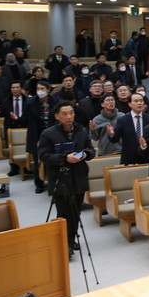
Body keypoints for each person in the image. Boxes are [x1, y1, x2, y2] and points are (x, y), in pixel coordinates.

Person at [38, 100, 95, 256]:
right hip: (60, 178)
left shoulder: (81, 130)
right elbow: (44, 156)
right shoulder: (48, 133)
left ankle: (71, 238)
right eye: (64, 114)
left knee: (76, 211)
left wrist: (85, 154)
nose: (69, 117)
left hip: (79, 176)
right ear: (57, 116)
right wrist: (64, 158)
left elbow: (90, 149)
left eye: (71, 113)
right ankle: (65, 243)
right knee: (64, 213)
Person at [107, 92, 149, 165]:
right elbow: (114, 140)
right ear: (129, 104)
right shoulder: (122, 120)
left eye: (141, 101)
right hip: (129, 159)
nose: (139, 103)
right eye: (136, 101)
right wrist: (111, 134)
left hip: (147, 158)